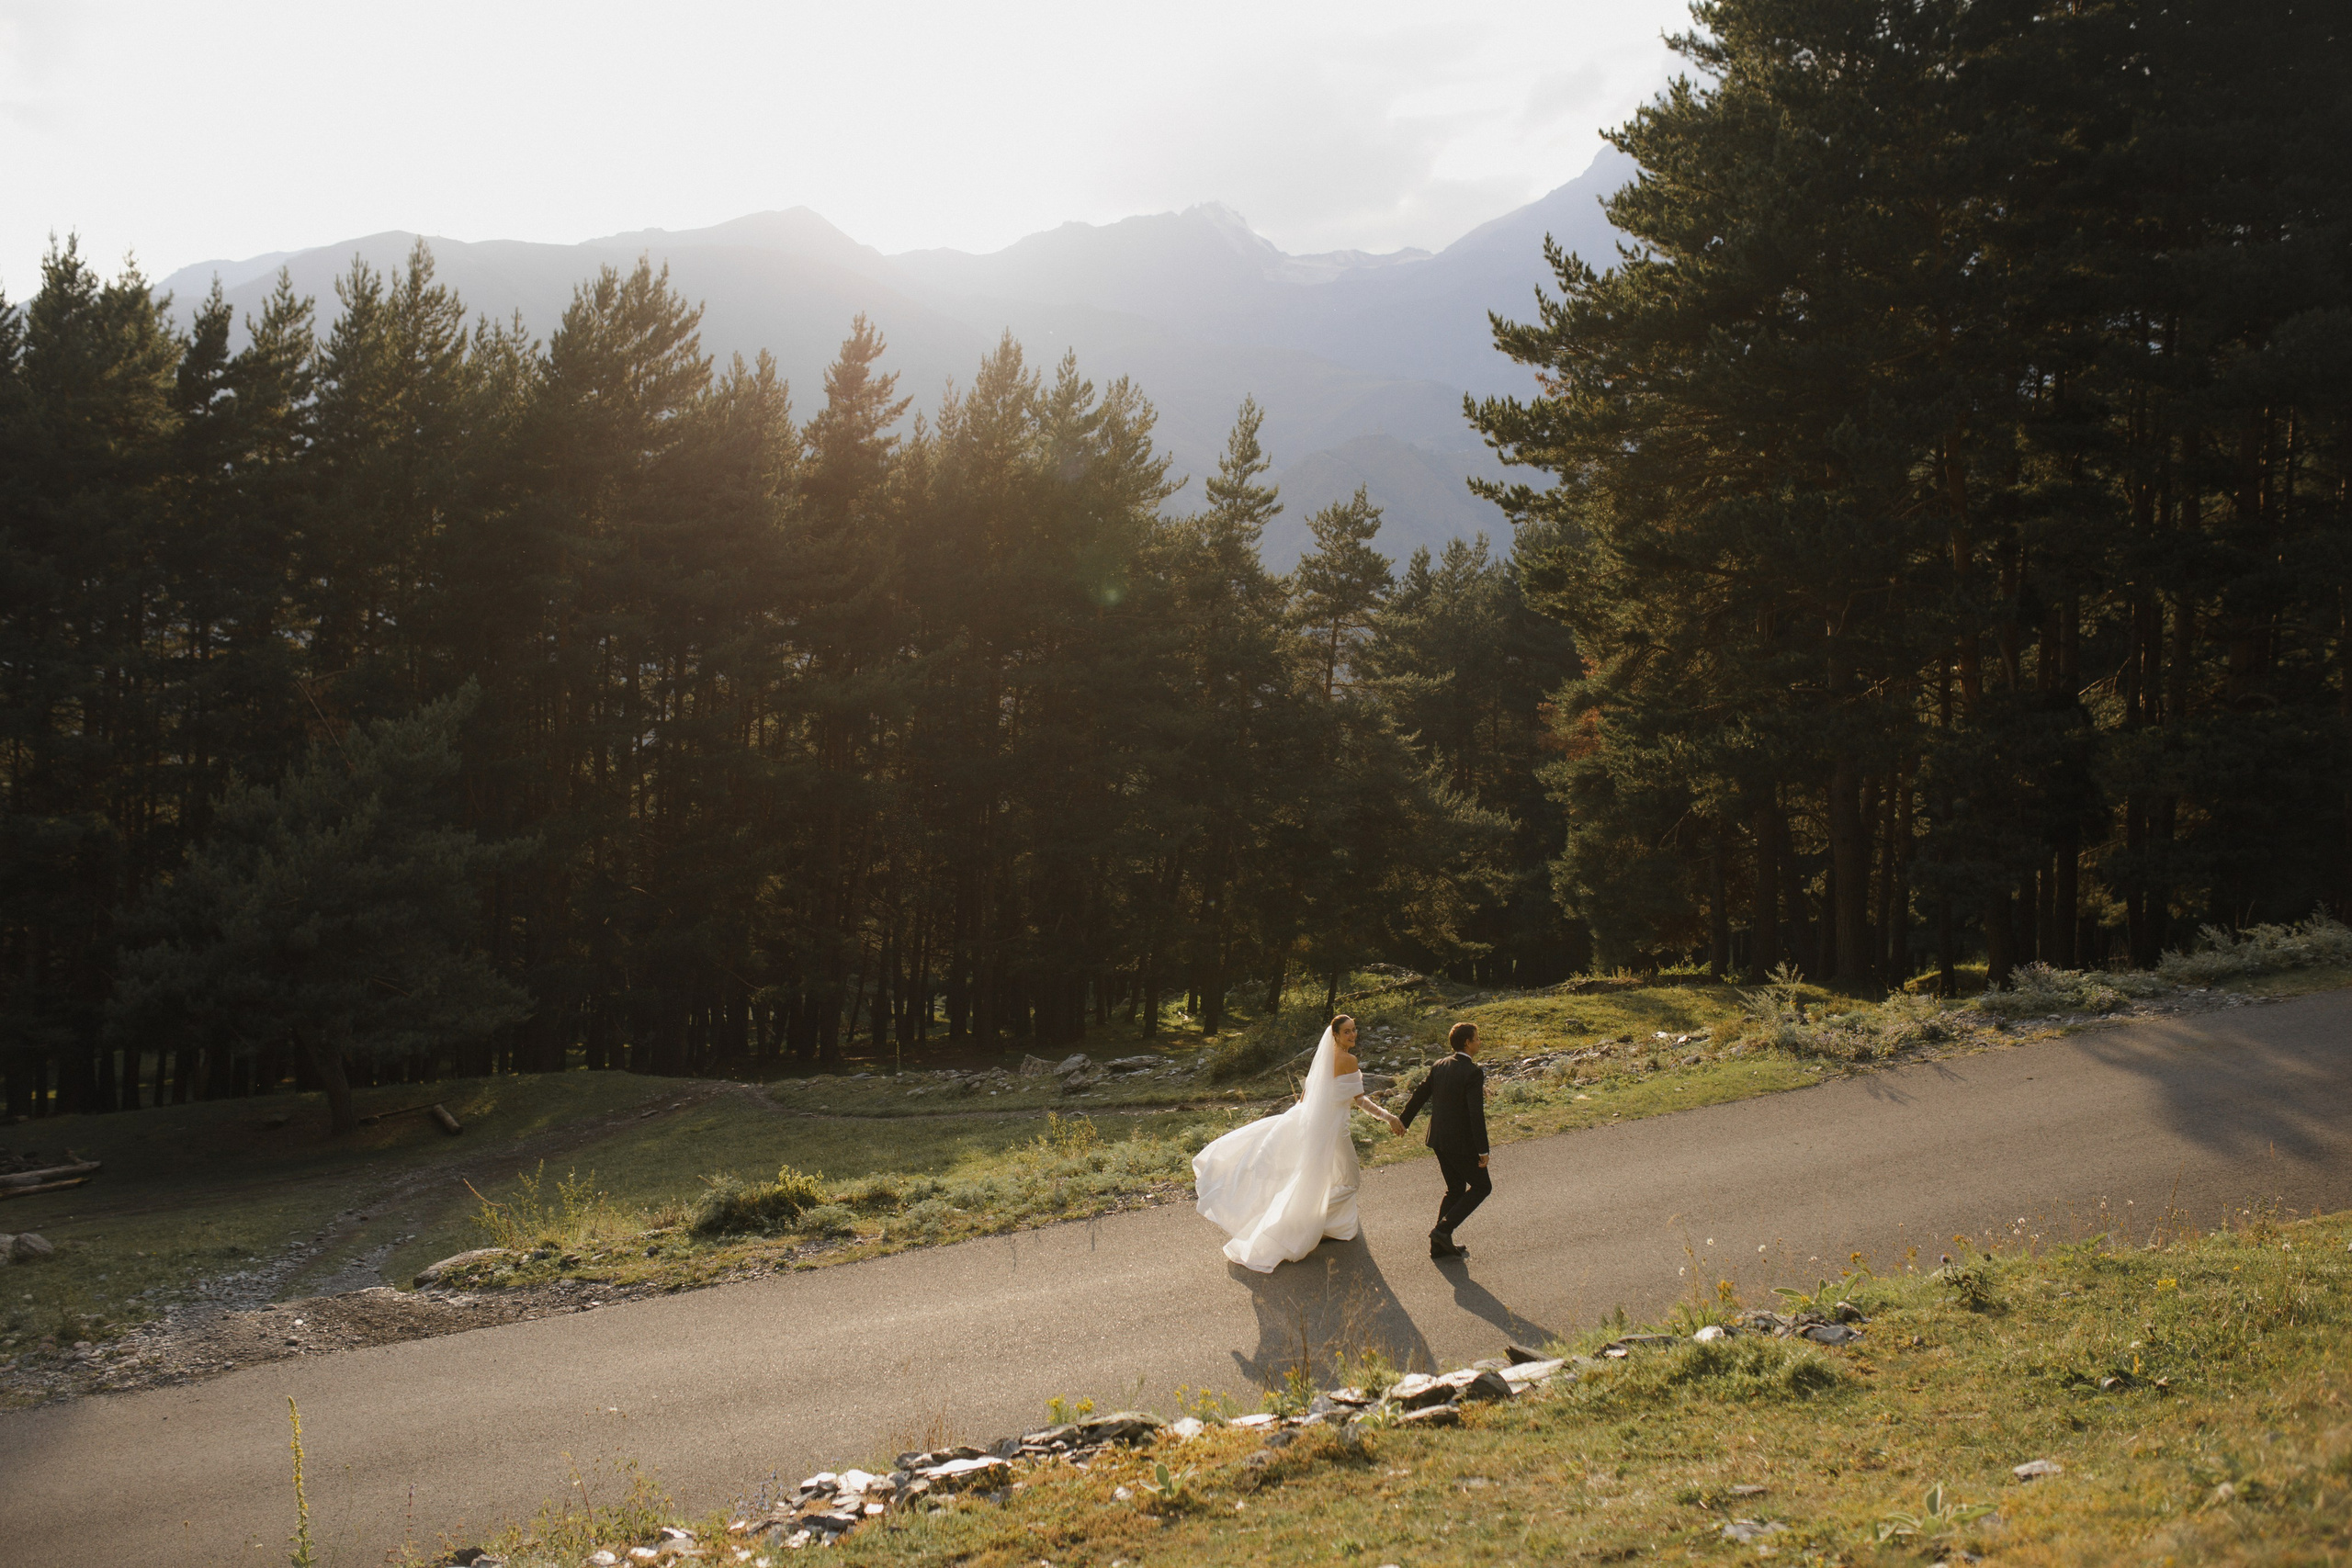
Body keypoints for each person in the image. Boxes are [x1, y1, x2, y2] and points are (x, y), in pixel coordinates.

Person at [1193, 1013, 1408, 1273]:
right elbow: (1360, 1101)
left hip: (1315, 1128)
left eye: (1354, 1030)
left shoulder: (1322, 1060)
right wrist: (1389, 1117)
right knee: (1350, 1181)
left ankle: (1329, 1226)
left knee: (1326, 1180)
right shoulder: (1349, 1060)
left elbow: (1306, 1099)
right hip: (1335, 1133)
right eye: (1347, 1031)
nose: (1353, 1035)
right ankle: (1303, 1221)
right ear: (1336, 1035)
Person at [1397, 1021, 1489, 1260]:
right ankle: (1443, 1230)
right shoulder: (1472, 1072)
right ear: (1467, 1043)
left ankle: (1438, 1246)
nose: (1480, 1042)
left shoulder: (1440, 1065)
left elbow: (1420, 1094)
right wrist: (1483, 1148)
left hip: (1438, 1139)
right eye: (1477, 1038)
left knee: (1456, 1188)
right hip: (1460, 1144)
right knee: (1482, 1187)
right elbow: (1474, 1113)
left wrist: (1403, 1122)